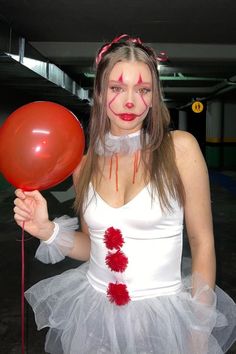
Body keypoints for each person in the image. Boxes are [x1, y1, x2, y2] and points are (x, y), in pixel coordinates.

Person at [14, 34, 235, 354]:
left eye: (143, 90)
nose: (130, 101)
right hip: (95, 317)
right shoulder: (84, 165)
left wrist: (197, 335)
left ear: (154, 97)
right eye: (117, 88)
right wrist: (47, 230)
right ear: (101, 94)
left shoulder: (180, 150)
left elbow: (203, 245)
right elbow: (93, 246)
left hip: (163, 321)